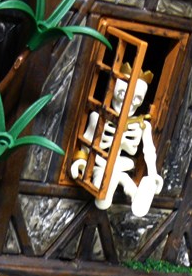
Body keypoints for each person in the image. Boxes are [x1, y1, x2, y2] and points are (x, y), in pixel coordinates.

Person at [69, 63, 162, 216]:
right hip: (101, 163)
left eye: (137, 99)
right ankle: (126, 189)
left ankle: (135, 194)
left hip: (122, 164)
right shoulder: (98, 118)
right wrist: (80, 161)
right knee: (104, 189)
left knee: (117, 175)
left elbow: (149, 150)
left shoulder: (142, 125)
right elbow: (86, 142)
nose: (129, 103)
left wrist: (153, 174)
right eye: (122, 94)